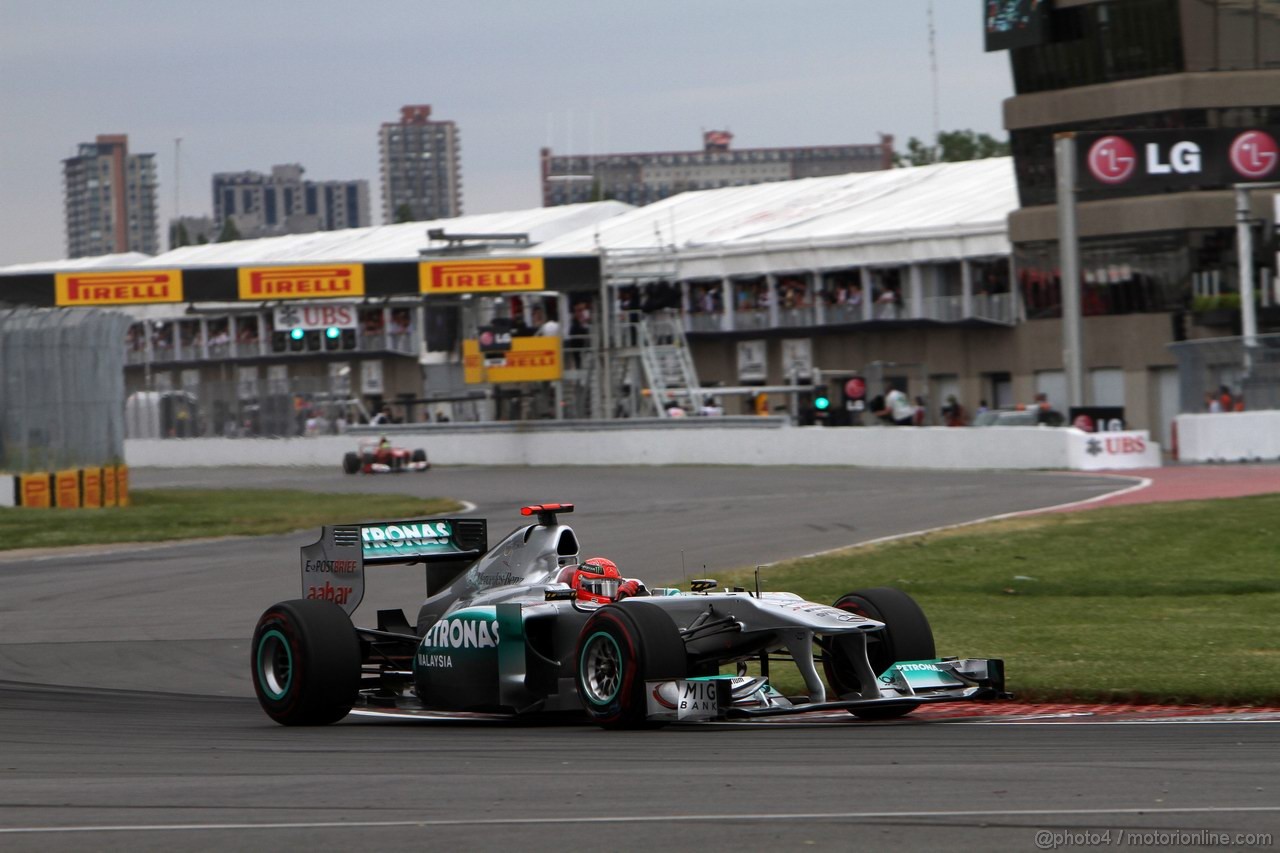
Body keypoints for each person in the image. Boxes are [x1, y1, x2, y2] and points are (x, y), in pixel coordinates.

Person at [557, 557, 647, 604]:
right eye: (604, 588)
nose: (613, 594)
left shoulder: (620, 599)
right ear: (583, 586)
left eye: (615, 587)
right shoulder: (559, 600)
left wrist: (638, 596)